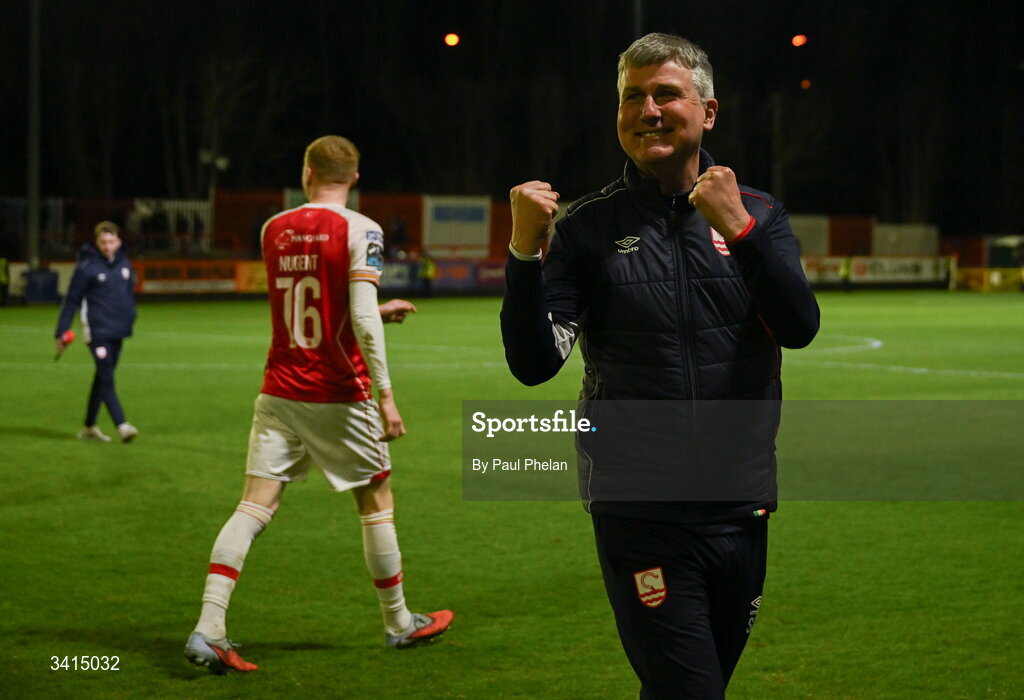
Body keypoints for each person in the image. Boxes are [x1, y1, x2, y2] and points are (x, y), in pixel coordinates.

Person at [501, 34, 819, 698]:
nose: (647, 109)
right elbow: (534, 365)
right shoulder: (587, 229)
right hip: (639, 509)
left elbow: (799, 327)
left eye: (665, 94)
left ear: (708, 111)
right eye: (631, 97)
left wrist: (741, 231)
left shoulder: (759, 214)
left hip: (741, 505)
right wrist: (524, 256)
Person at [184, 135, 452, 675]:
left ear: (306, 172)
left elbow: (309, 296)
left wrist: (375, 307)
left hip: (279, 388)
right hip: (336, 390)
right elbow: (359, 316)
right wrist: (387, 397)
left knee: (254, 506)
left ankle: (208, 628)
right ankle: (399, 623)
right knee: (376, 499)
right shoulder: (363, 229)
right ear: (354, 178)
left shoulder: (272, 228)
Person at [55, 220, 139, 442]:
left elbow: (127, 293)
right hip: (97, 330)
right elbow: (71, 300)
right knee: (106, 375)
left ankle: (89, 427)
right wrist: (61, 331)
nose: (107, 246)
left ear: (118, 242)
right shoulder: (87, 267)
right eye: (103, 242)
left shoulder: (124, 263)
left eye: (111, 241)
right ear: (97, 242)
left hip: (118, 330)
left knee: (103, 377)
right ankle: (122, 425)